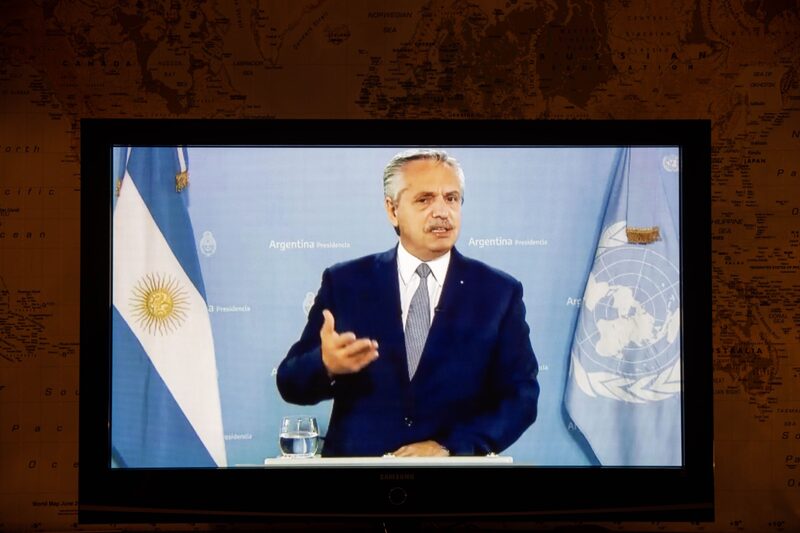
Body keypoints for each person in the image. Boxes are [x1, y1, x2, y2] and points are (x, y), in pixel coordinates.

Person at [277, 149, 539, 457]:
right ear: (392, 210)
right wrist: (326, 365)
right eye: (425, 199)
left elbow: (520, 397)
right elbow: (289, 382)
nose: (442, 212)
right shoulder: (346, 282)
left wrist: (450, 447)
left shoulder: (498, 292)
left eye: (452, 198)